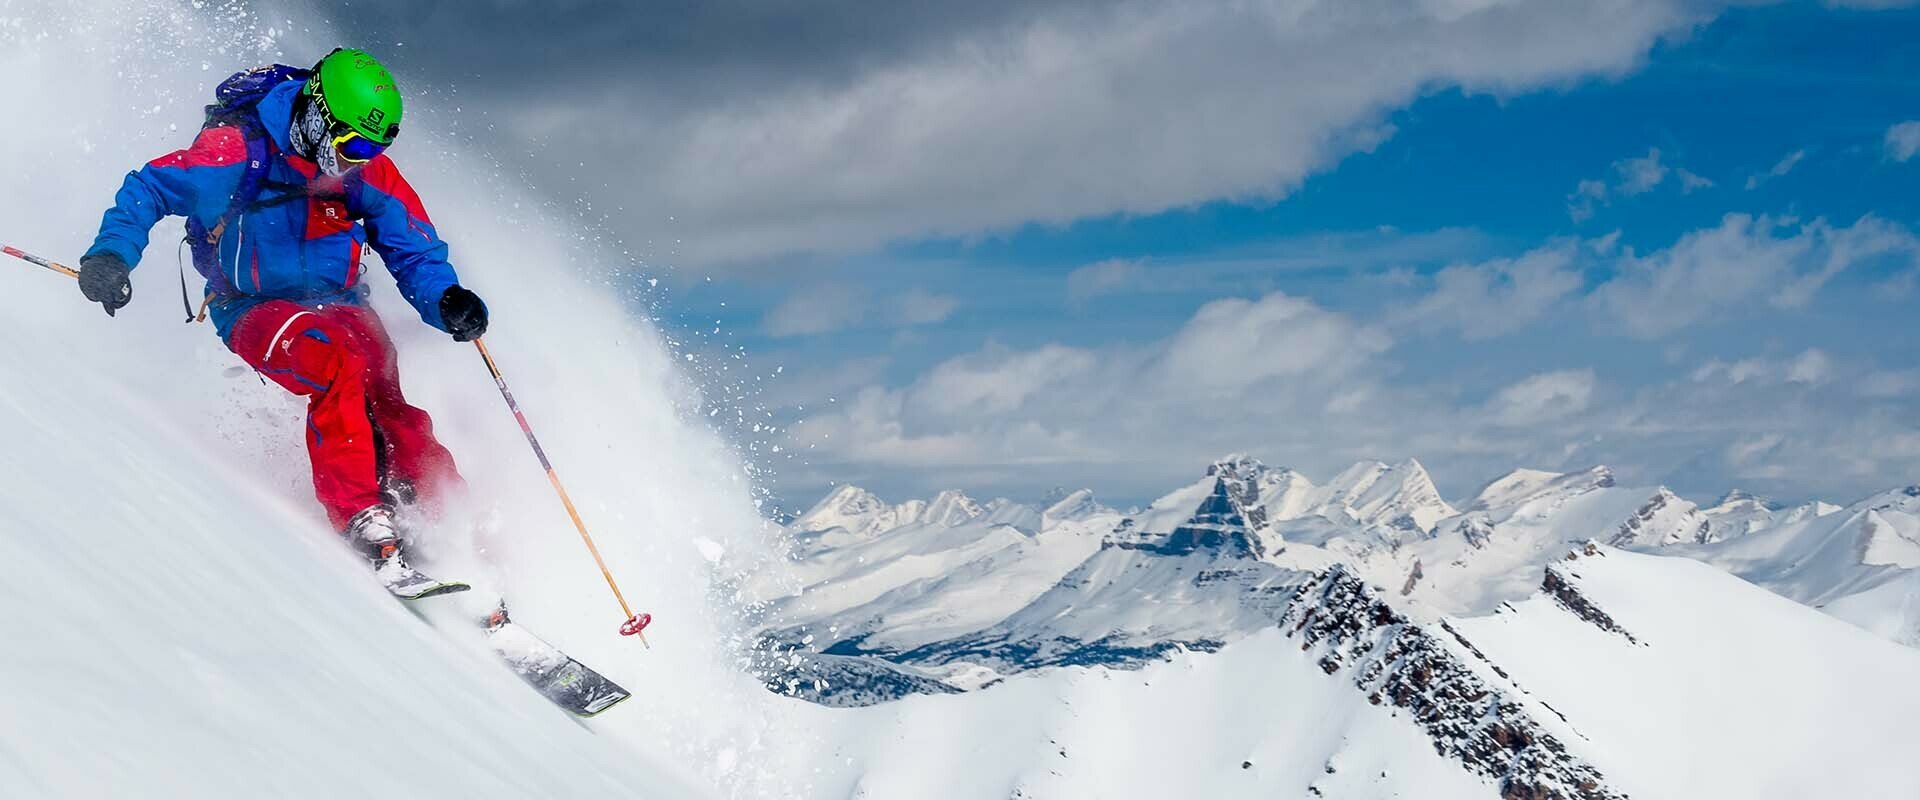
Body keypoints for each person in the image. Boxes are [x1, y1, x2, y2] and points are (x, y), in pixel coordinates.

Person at [75, 48, 487, 572]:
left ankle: (446, 516)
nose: (358, 160)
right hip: (253, 306)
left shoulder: (361, 173)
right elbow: (150, 187)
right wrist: (112, 254)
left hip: (341, 302)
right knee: (333, 362)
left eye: (373, 148)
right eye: (352, 144)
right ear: (317, 118)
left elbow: (414, 248)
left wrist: (446, 298)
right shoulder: (236, 153)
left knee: (382, 392)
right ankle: (362, 514)